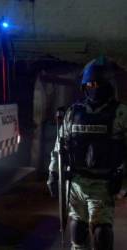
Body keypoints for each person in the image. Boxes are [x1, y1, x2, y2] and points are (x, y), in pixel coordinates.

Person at [47, 56, 127, 250]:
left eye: (99, 83)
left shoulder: (120, 113)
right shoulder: (73, 112)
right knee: (78, 229)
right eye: (90, 83)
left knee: (101, 233)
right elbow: (61, 145)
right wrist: (53, 173)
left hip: (103, 183)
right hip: (75, 183)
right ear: (84, 86)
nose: (94, 87)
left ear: (108, 85)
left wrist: (123, 176)